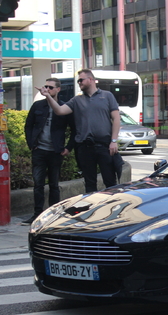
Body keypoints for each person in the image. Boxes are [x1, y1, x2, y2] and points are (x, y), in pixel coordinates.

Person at [37, 69, 120, 193]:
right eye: (78, 81)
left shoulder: (107, 96)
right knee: (89, 183)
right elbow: (59, 111)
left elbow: (116, 118)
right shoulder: (77, 100)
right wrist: (48, 96)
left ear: (90, 79)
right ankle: (92, 211)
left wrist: (113, 140)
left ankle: (112, 210)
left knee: (110, 182)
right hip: (85, 147)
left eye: (81, 80)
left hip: (104, 145)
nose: (79, 83)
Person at [22, 78, 76, 226]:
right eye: (45, 86)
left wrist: (68, 148)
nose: (46, 89)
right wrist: (31, 144)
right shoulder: (38, 105)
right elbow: (28, 126)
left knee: (54, 184)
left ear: (58, 89)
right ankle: (37, 214)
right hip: (39, 150)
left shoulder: (65, 107)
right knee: (38, 184)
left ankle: (54, 215)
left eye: (50, 87)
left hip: (55, 152)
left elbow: (74, 129)